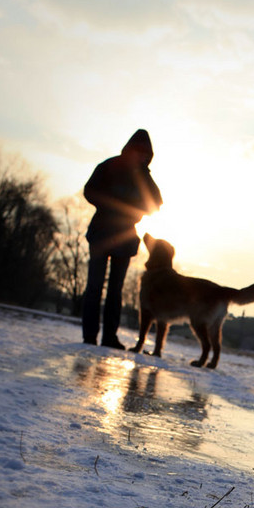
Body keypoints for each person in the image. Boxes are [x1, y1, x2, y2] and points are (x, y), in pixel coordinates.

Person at [81, 130, 163, 348]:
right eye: (140, 153)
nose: (143, 157)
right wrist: (111, 203)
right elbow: (89, 191)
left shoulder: (144, 176)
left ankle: (109, 337)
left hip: (125, 237)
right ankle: (89, 336)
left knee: (115, 291)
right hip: (101, 232)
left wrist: (142, 181)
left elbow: (156, 203)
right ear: (130, 150)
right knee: (94, 286)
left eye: (147, 155)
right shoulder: (109, 166)